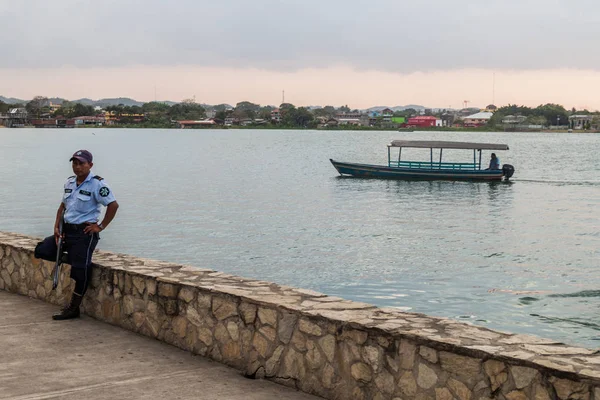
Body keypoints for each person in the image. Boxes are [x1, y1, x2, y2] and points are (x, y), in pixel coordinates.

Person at [35, 150, 119, 320]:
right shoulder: (70, 182)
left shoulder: (98, 185)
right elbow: (62, 206)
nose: (77, 167)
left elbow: (113, 205)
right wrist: (57, 226)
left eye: (81, 163)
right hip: (67, 231)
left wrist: (100, 226)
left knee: (81, 271)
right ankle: (75, 258)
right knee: (42, 250)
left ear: (90, 165)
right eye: (75, 163)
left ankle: (73, 308)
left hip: (84, 234)